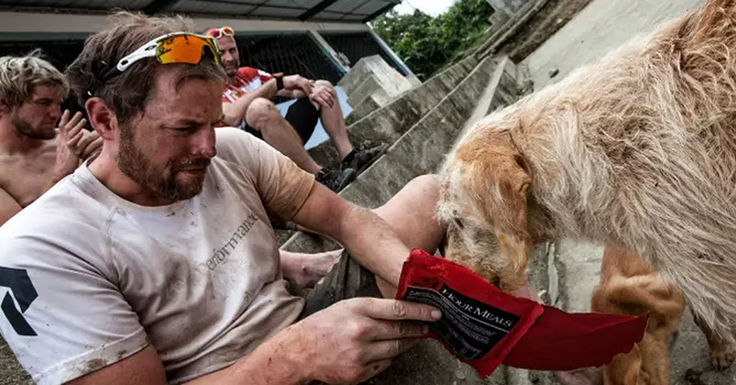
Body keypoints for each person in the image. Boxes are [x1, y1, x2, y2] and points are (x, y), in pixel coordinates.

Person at [0, 12, 447, 385]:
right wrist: (296, 356)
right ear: (105, 119)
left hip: (305, 322)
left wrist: (420, 278)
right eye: (183, 129)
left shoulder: (229, 147)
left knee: (431, 193)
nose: (208, 147)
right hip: (232, 372)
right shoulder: (38, 247)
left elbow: (347, 219)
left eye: (212, 123)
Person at [206, 26, 386, 192]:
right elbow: (231, 116)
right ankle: (320, 177)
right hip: (252, 161)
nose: (229, 58)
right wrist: (277, 83)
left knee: (323, 87)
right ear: (210, 57)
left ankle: (350, 157)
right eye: (221, 53)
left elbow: (291, 91)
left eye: (232, 50)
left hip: (279, 145)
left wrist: (310, 87)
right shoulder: (205, 86)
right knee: (259, 108)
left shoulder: (247, 74)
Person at [0, 53, 102, 226]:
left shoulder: (76, 141)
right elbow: (18, 235)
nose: (56, 114)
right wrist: (61, 175)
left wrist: (113, 154)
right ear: (3, 104)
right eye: (44, 103)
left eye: (58, 103)